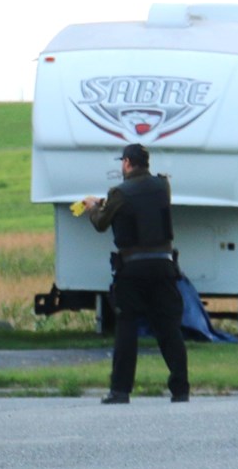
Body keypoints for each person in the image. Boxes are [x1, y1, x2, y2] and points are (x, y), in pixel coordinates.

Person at [81, 143, 190, 404]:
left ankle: (120, 390)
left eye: (123, 162)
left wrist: (92, 207)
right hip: (164, 266)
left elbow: (101, 224)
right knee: (168, 328)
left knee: (127, 326)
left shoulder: (119, 192)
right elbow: (144, 204)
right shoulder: (163, 186)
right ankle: (180, 389)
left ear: (128, 162)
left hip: (133, 268)